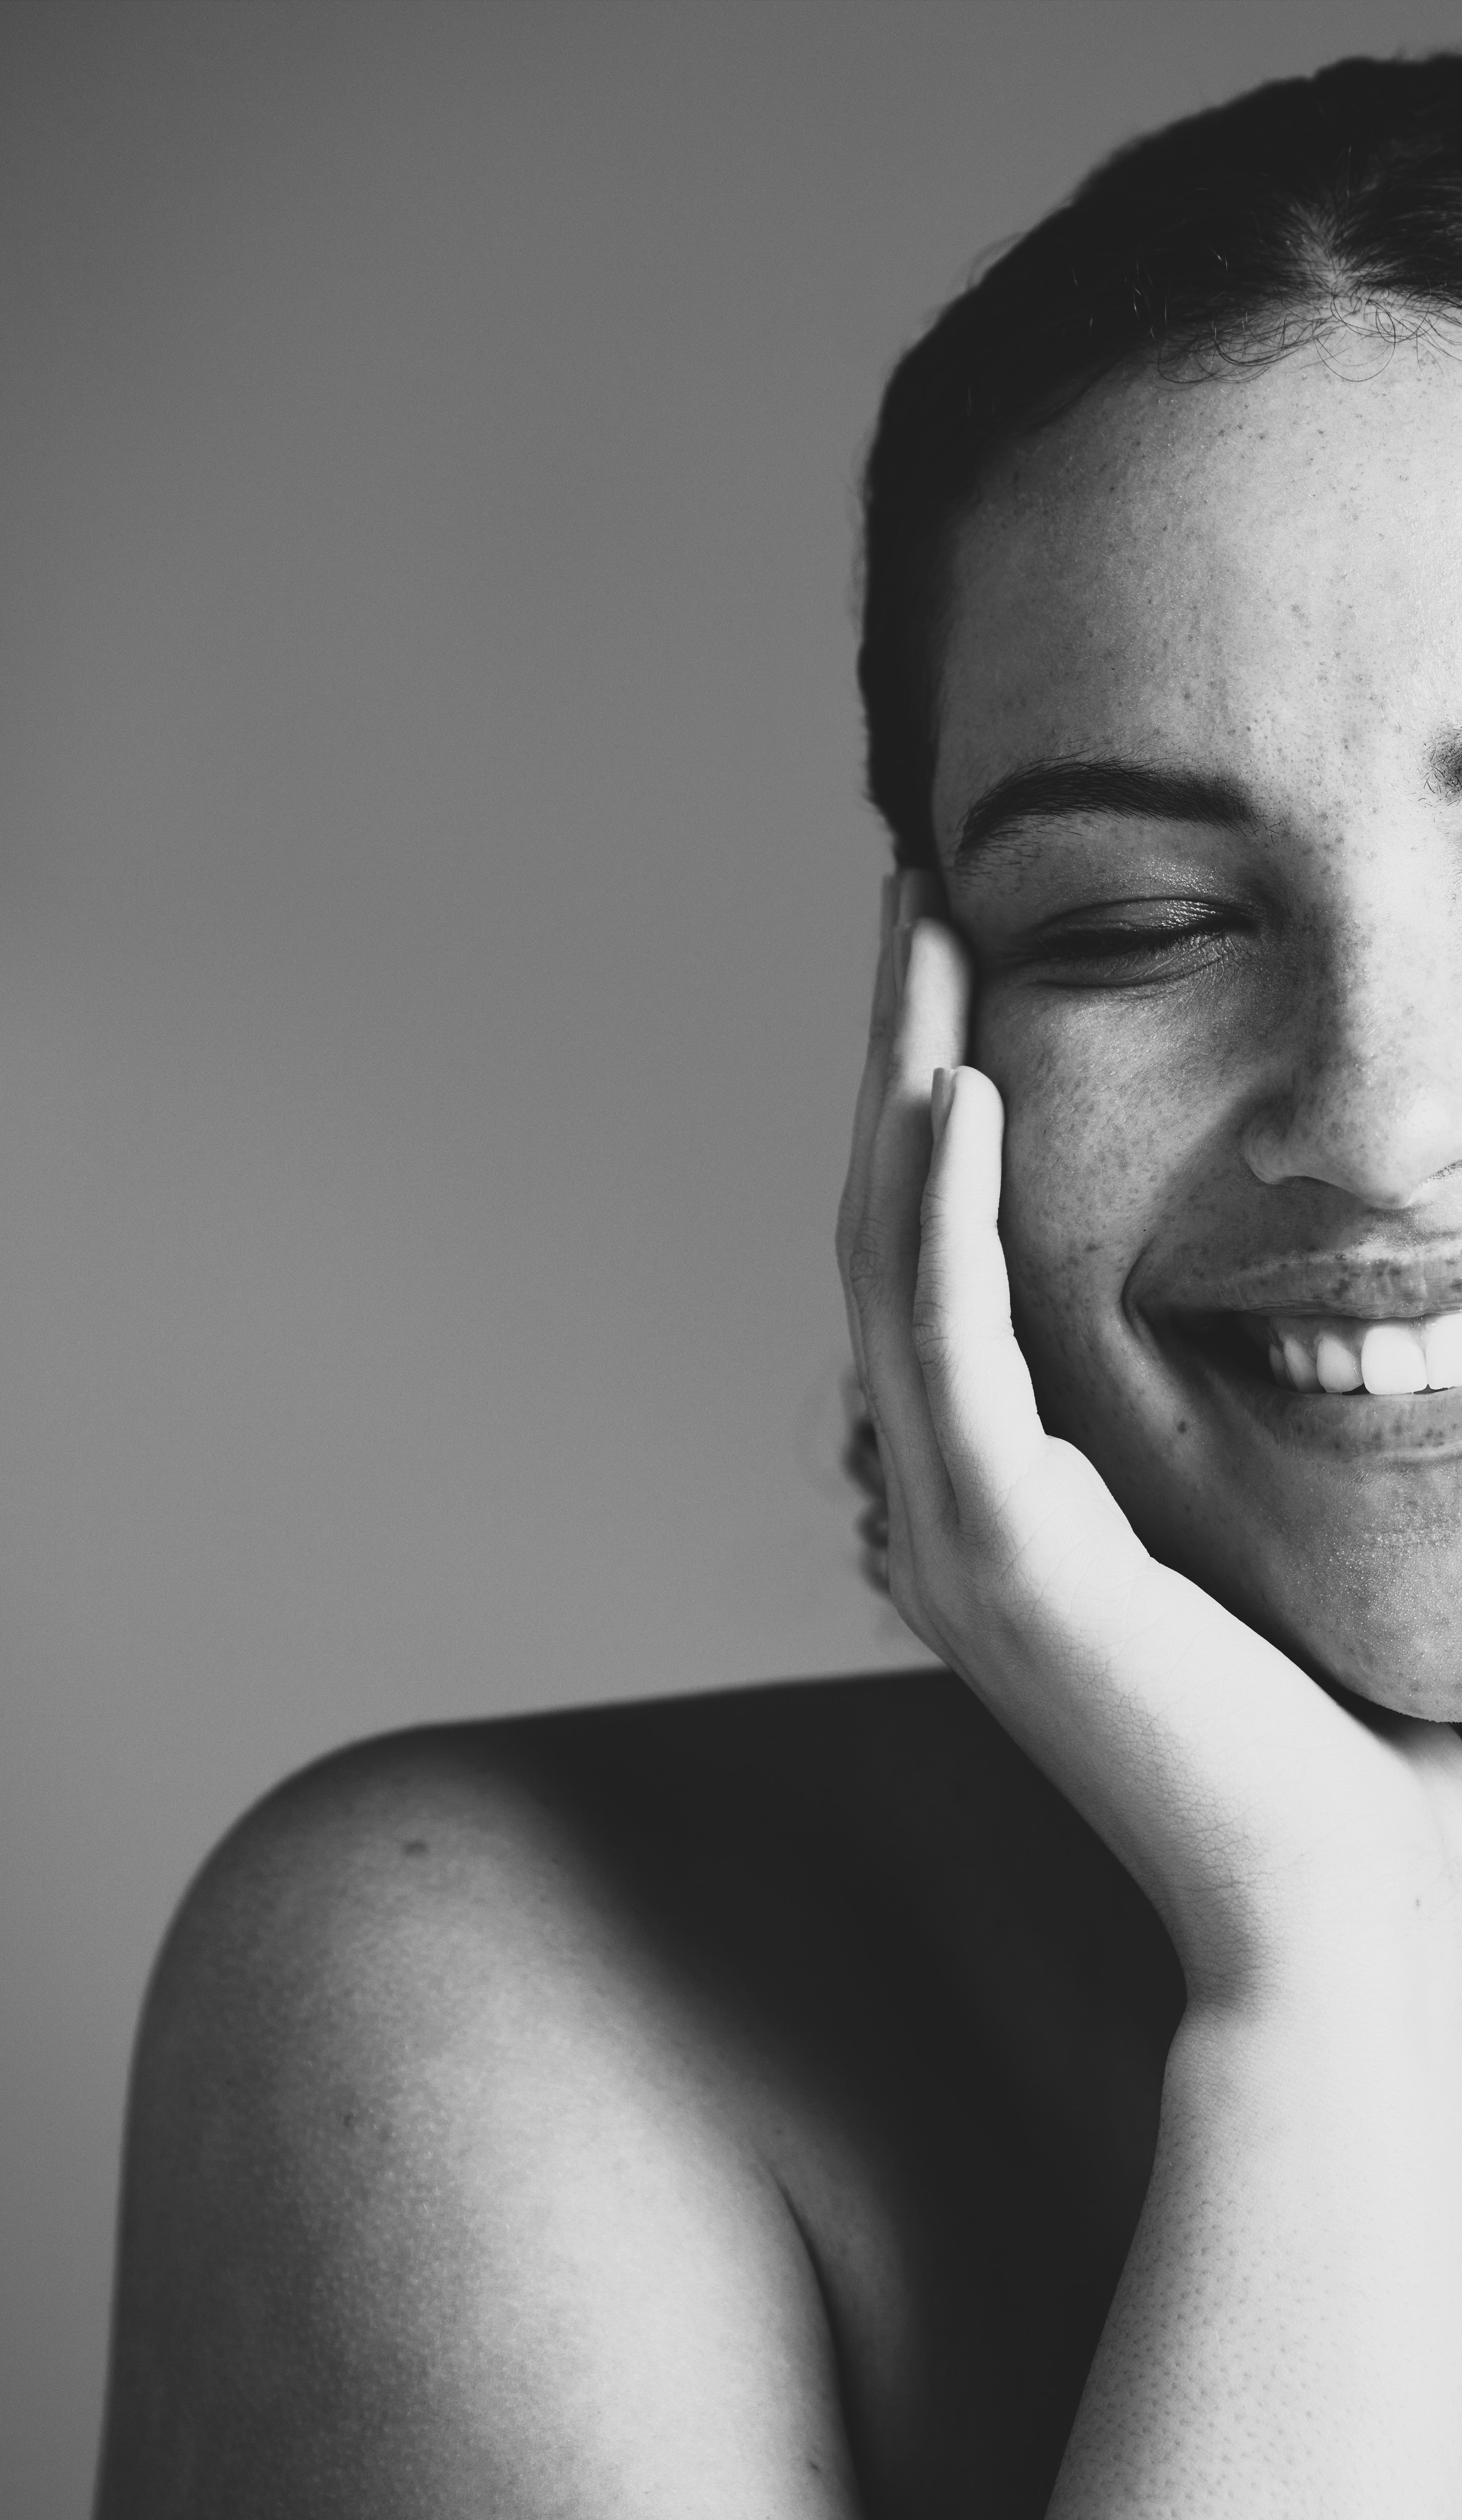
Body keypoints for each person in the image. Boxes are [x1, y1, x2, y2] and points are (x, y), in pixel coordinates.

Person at [94, 52, 1462, 2516]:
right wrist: (1325, 1998)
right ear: (924, 1046)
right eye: (1131, 925)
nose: (1372, 1115)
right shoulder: (488, 1987)